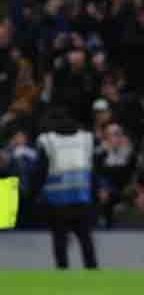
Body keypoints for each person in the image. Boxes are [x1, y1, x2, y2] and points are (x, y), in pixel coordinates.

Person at [33, 108, 99, 269]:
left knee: (60, 241)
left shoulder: (47, 141)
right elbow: (94, 169)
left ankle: (62, 271)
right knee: (86, 240)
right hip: (82, 199)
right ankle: (93, 271)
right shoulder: (86, 139)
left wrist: (35, 195)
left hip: (57, 202)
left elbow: (40, 172)